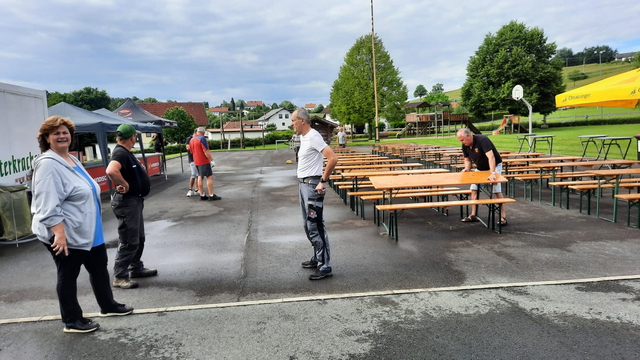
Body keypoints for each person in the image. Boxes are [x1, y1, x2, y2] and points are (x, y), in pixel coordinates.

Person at [31, 116, 133, 334]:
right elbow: (47, 203)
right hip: (66, 233)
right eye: (56, 133)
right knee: (68, 275)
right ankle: (72, 320)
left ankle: (108, 306)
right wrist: (58, 234)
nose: (62, 136)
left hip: (87, 229)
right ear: (47, 138)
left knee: (98, 268)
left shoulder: (71, 158)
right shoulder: (48, 164)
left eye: (65, 132)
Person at [106, 124, 157, 289]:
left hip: (134, 201)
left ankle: (135, 267)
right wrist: (124, 184)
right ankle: (120, 276)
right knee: (129, 240)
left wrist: (124, 183)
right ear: (132, 137)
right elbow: (111, 170)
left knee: (138, 238)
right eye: (135, 136)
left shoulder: (125, 152)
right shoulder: (120, 152)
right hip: (127, 203)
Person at [291, 108, 338, 280]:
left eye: (293, 120)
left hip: (312, 186)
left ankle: (325, 265)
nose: (292, 124)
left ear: (302, 120)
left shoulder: (313, 136)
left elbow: (332, 158)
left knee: (316, 225)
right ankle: (318, 257)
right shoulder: (303, 137)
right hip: (304, 185)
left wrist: (323, 180)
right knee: (307, 225)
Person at [456, 128, 507, 225]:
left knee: (496, 189)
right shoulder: (465, 145)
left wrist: (493, 173)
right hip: (480, 168)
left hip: (495, 166)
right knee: (474, 189)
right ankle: (473, 214)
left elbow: (491, 157)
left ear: (468, 136)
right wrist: (467, 168)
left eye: (462, 139)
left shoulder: (482, 140)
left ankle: (503, 217)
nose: (461, 142)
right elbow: (467, 159)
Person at [189, 127, 221, 201]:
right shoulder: (202, 139)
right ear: (204, 133)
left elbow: (191, 151)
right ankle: (211, 194)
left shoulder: (192, 140)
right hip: (203, 161)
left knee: (200, 176)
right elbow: (206, 151)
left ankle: (202, 194)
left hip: (196, 161)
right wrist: (211, 160)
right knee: (209, 177)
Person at [185, 128, 199, 197]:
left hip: (198, 159)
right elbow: (188, 147)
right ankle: (190, 190)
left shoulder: (198, 139)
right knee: (193, 174)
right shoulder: (189, 138)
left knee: (198, 175)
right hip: (192, 159)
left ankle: (197, 189)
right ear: (195, 132)